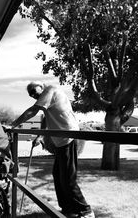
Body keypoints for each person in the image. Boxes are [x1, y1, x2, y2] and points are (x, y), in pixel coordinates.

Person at [11, 81, 95, 218]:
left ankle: (86, 211)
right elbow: (45, 119)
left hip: (69, 137)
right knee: (58, 175)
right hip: (61, 142)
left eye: (33, 91)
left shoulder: (50, 89)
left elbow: (33, 110)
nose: (33, 95)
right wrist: (39, 136)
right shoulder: (47, 100)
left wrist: (13, 124)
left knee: (68, 179)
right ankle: (68, 209)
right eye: (30, 94)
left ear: (42, 86)